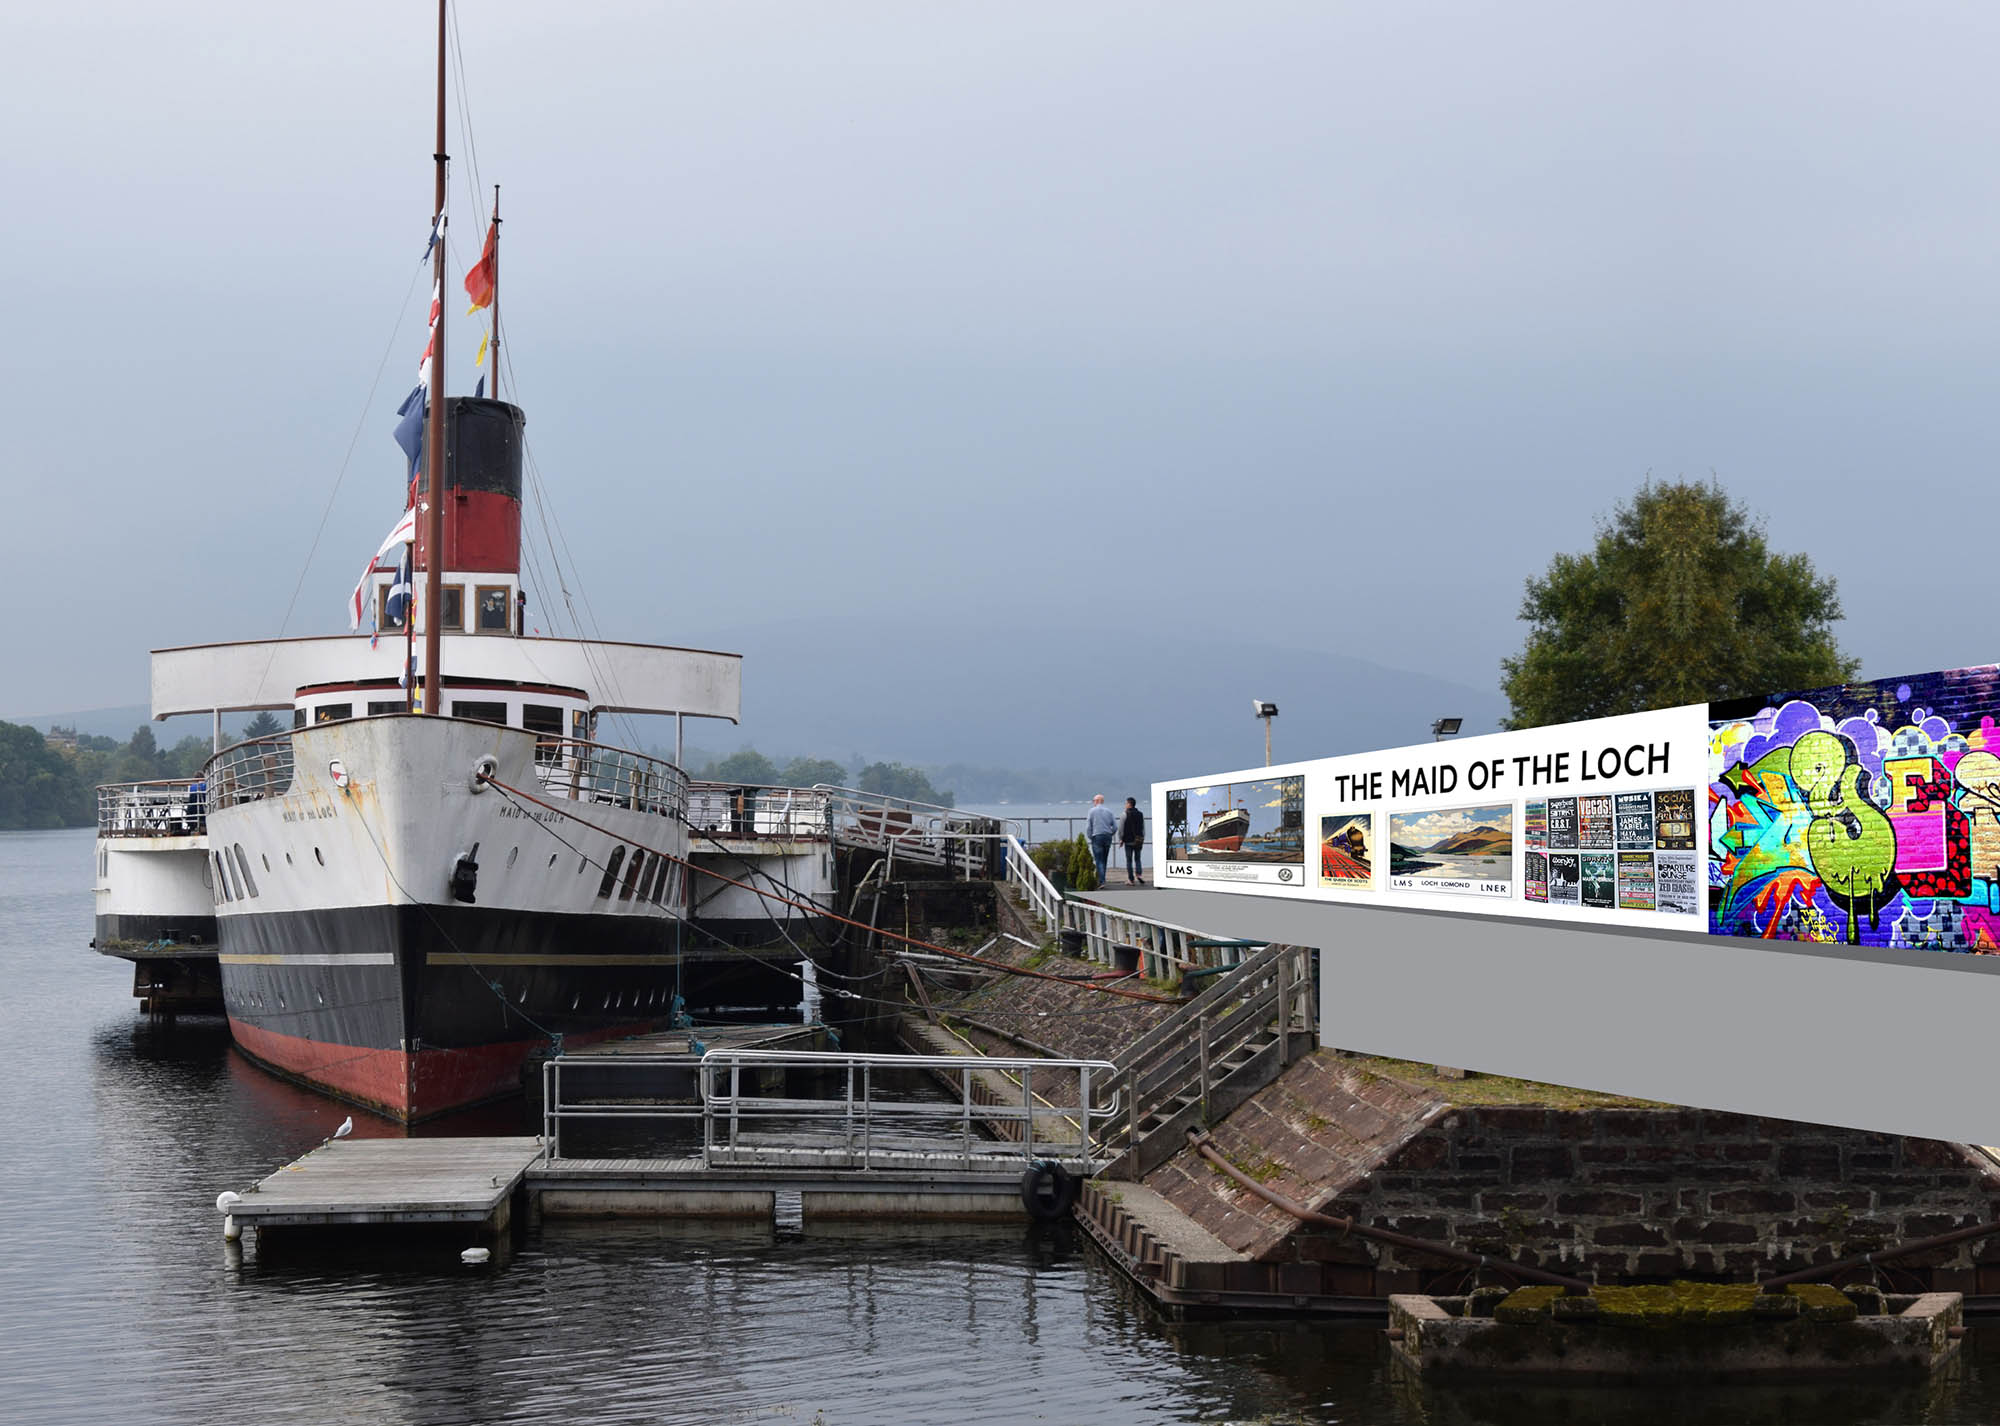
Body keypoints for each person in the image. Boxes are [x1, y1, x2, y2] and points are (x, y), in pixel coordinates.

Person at [1085, 794, 1118, 885]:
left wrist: (1090, 836)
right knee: (1104, 858)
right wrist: (1111, 834)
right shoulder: (1109, 811)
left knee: (1098, 859)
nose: (1093, 802)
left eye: (1093, 800)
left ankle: (1102, 881)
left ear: (1096, 801)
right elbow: (1115, 827)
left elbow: (1088, 826)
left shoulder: (1091, 811)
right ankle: (1102, 878)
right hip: (1107, 836)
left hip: (1097, 836)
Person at [1119, 797, 1145, 885]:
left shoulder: (1124, 814)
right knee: (1138, 859)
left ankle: (1131, 880)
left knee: (1129, 860)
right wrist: (1142, 837)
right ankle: (1139, 874)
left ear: (1129, 804)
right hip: (1138, 840)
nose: (1125, 805)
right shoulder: (1140, 814)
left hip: (1128, 841)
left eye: (1126, 803)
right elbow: (1143, 828)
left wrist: (1121, 839)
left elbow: (1121, 829)